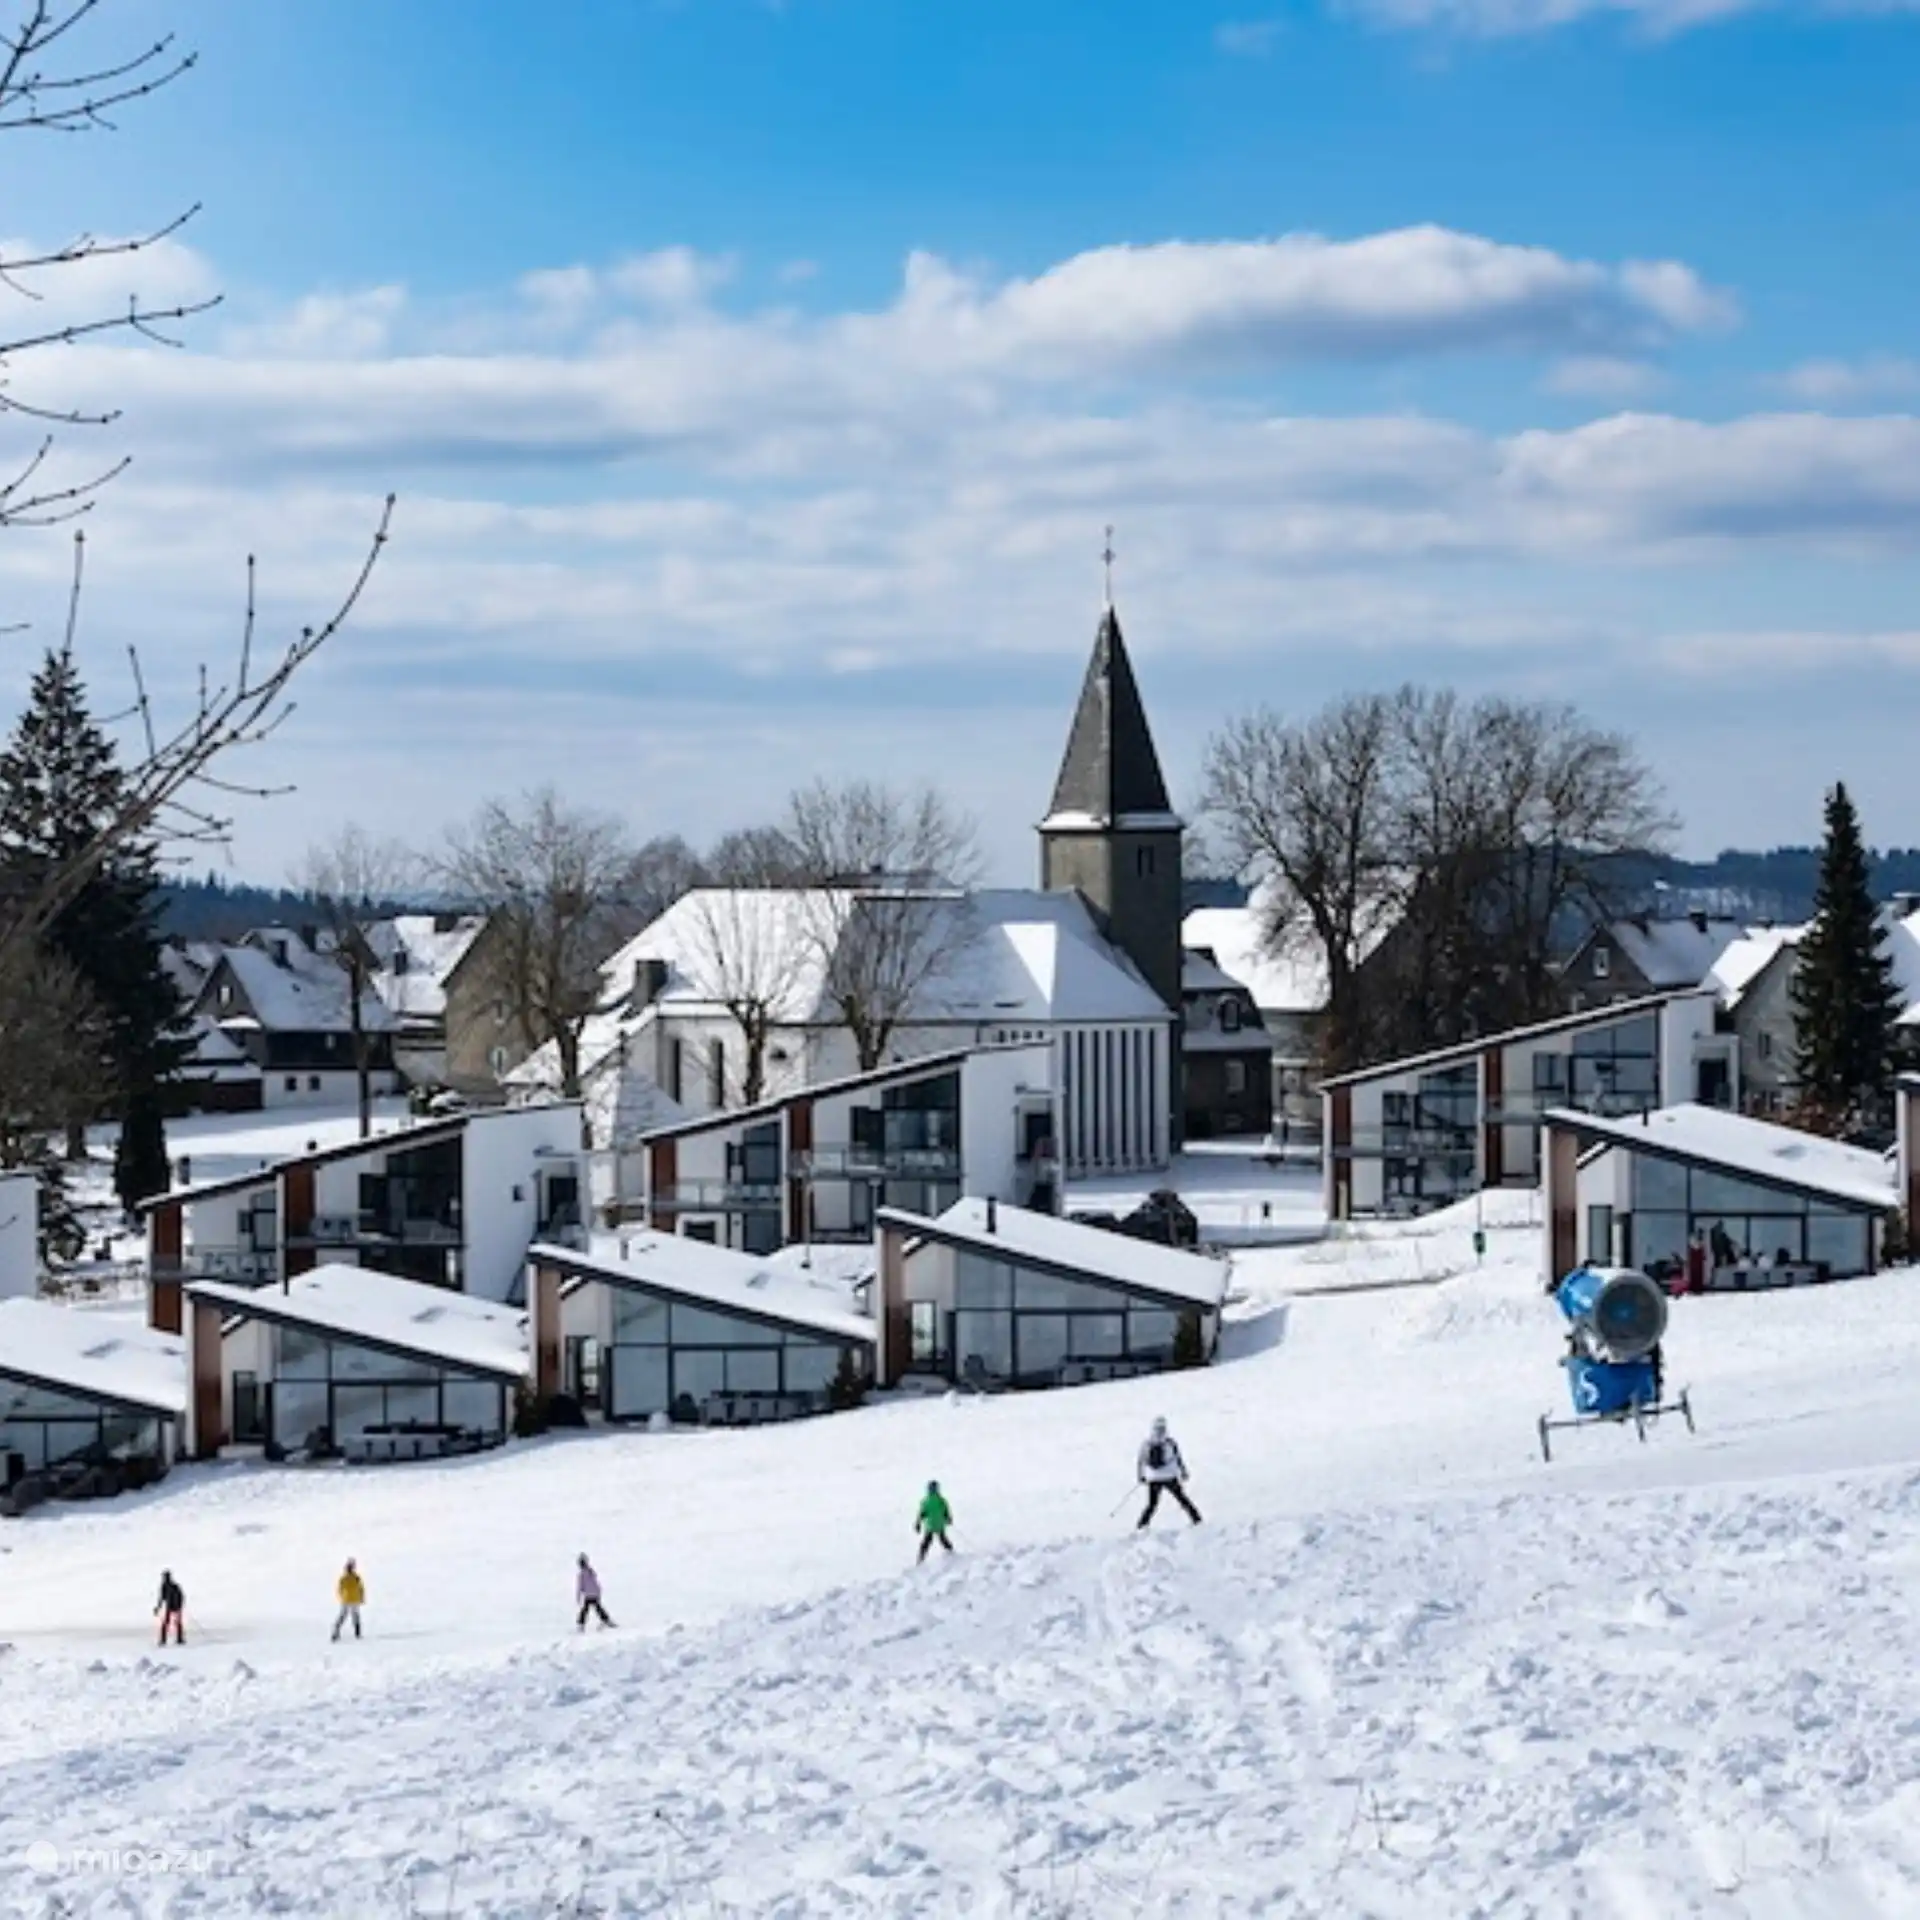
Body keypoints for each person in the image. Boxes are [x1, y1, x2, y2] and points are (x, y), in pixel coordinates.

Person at [1137, 1416, 1201, 1529]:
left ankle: (1142, 1525)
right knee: (1182, 1499)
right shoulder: (1170, 1442)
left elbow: (1141, 1461)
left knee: (1152, 1504)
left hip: (1153, 1478)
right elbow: (1178, 1458)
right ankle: (1197, 1519)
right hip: (1169, 1476)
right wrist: (1183, 1472)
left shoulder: (1146, 1443)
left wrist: (1141, 1476)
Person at [916, 1480, 954, 1562]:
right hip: (939, 1524)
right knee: (942, 1539)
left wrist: (918, 1523)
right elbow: (946, 1510)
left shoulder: (926, 1501)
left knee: (927, 1542)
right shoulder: (941, 1500)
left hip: (930, 1525)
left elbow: (922, 1513)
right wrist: (948, 1518)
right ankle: (951, 1552)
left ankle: (921, 1558)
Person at [576, 1553, 614, 1629]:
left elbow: (580, 1587)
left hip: (588, 1595)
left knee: (586, 1609)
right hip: (595, 1593)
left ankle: (581, 1623)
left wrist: (578, 1596)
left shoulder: (582, 1575)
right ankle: (606, 1619)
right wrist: (598, 1591)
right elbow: (595, 1583)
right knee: (597, 1608)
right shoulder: (591, 1571)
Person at [332, 1559, 365, 1642]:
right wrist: (361, 1597)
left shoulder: (354, 1578)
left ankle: (357, 1632)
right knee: (347, 1616)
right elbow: (340, 1589)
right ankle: (337, 1631)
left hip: (352, 1599)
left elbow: (360, 1588)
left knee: (352, 1616)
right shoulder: (347, 1578)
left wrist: (361, 1597)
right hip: (349, 1599)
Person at [154, 1569, 185, 1646]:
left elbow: (161, 1598)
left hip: (172, 1607)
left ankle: (164, 1640)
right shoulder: (174, 1586)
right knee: (177, 1623)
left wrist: (158, 1607)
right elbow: (181, 1596)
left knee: (167, 1623)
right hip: (175, 1607)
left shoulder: (167, 1586)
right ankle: (179, 1639)